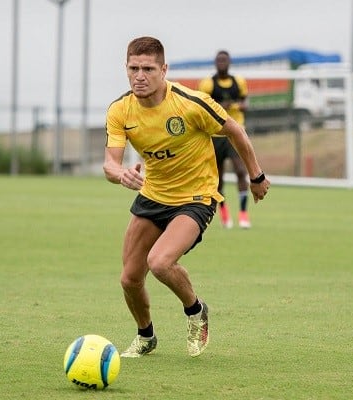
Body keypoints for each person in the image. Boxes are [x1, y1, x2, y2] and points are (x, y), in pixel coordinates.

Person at [103, 36, 270, 358]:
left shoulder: (191, 103)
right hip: (153, 196)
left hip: (196, 197)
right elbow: (110, 162)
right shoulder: (120, 110)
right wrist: (120, 173)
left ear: (163, 69)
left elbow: (234, 129)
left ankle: (196, 311)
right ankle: (146, 336)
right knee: (129, 278)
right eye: (133, 68)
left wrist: (256, 176)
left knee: (161, 262)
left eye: (148, 69)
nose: (140, 76)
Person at [198, 50, 251, 229]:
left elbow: (246, 103)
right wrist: (221, 106)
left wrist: (241, 106)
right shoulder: (207, 84)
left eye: (224, 60)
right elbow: (202, 107)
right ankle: (224, 212)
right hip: (215, 135)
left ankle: (243, 214)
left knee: (240, 170)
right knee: (218, 177)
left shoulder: (239, 82)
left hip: (235, 133)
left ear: (229, 62)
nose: (222, 63)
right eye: (219, 60)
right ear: (215, 63)